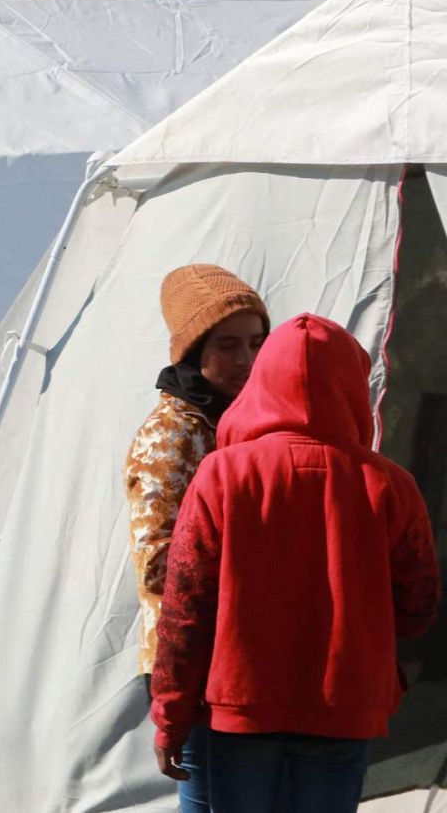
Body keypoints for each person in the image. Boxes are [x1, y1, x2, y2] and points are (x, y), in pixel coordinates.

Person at [151, 314, 441, 813]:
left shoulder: (221, 475)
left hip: (243, 710)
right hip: (344, 708)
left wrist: (170, 717)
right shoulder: (391, 485)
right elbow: (417, 610)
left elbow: (185, 612)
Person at [124, 263, 268, 810]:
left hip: (233, 646)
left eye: (257, 343)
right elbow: (158, 564)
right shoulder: (174, 432)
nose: (247, 360)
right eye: (228, 345)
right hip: (189, 650)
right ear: (192, 352)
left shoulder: (237, 420)